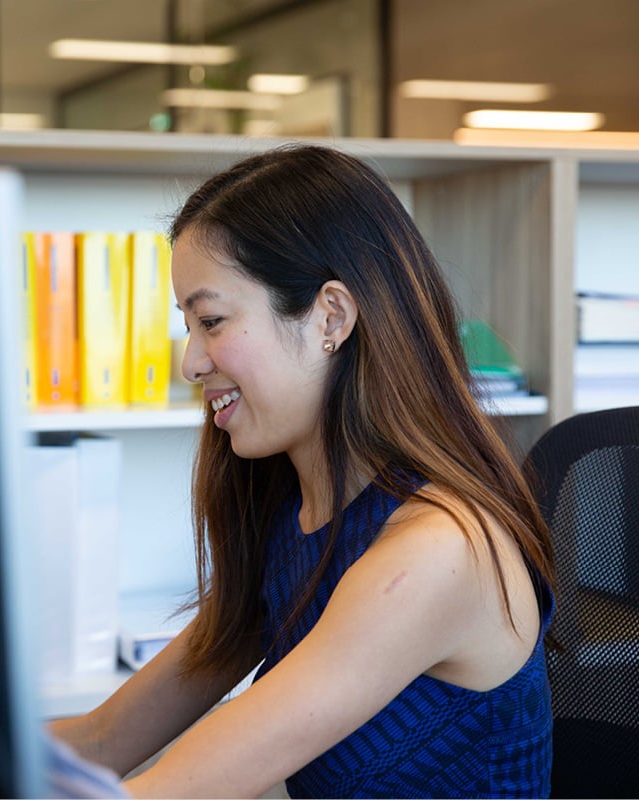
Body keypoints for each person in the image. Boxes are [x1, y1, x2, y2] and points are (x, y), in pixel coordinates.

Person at [50, 143, 556, 799]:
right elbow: (100, 743)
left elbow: (163, 793)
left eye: (211, 321)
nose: (191, 362)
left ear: (330, 317)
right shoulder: (298, 517)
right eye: (189, 326)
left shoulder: (437, 551)